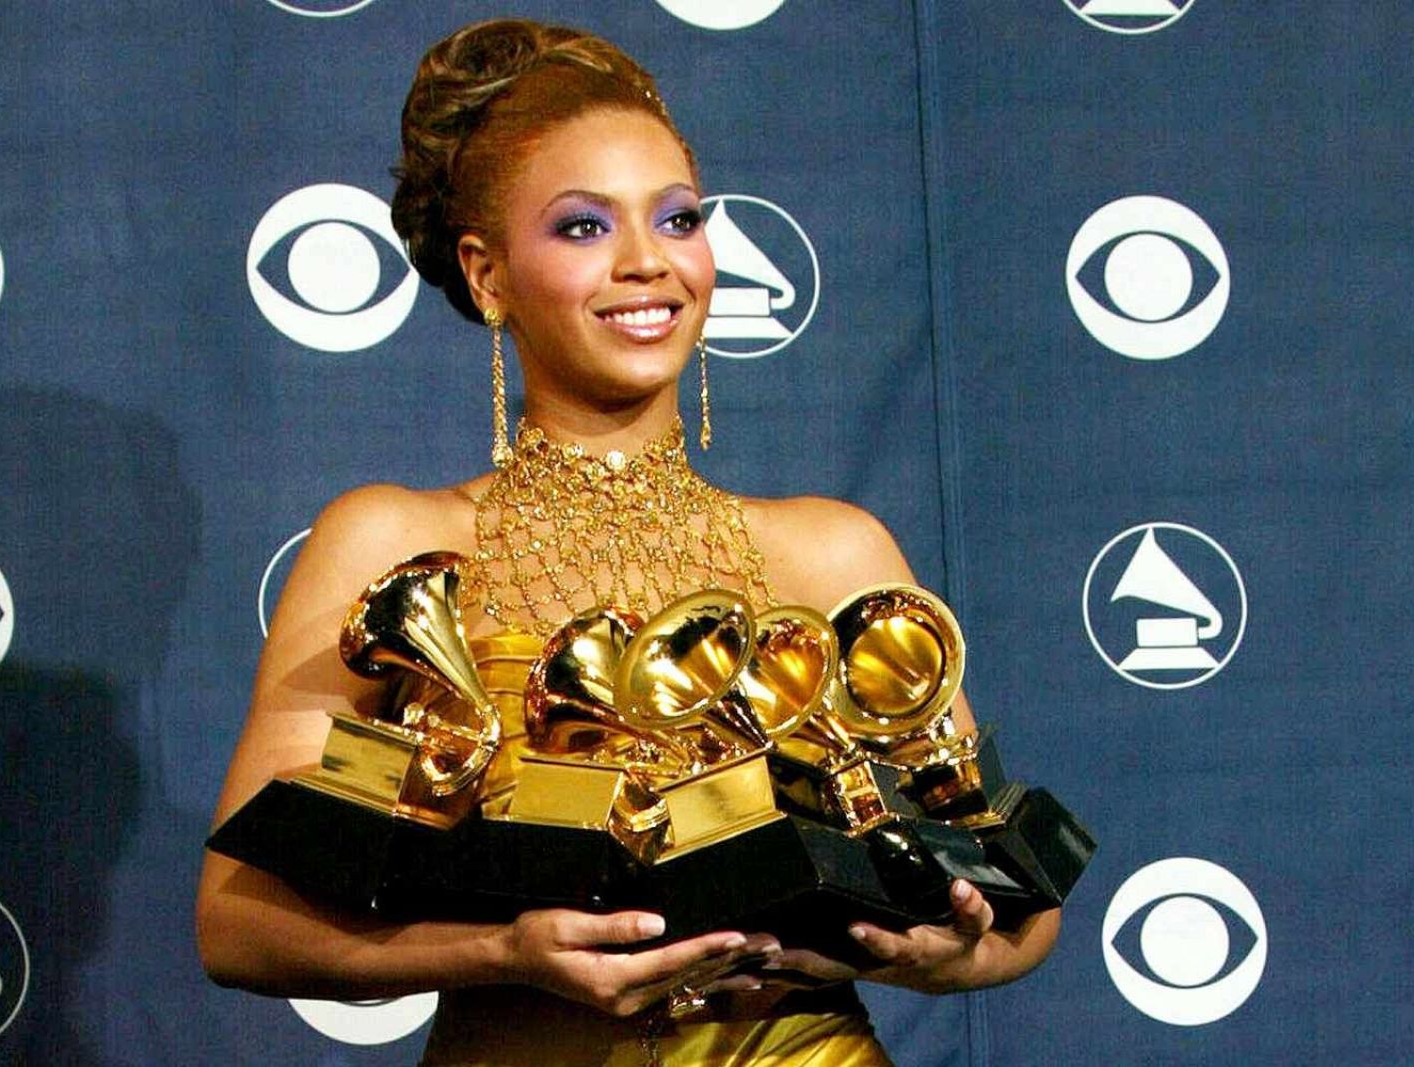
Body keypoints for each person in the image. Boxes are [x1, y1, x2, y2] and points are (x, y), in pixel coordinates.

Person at [196, 18, 1059, 1066]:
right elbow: (238, 921)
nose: (648, 263)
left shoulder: (832, 553)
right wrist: (502, 949)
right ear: (486, 272)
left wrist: (923, 951)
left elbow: (1020, 910)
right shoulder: (392, 541)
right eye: (582, 228)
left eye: (679, 218)